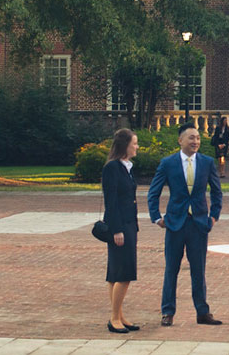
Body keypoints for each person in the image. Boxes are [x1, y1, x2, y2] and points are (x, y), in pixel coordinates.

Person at [147, 125, 224, 326]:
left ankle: (202, 312)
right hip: (174, 224)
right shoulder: (168, 163)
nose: (196, 142)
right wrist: (156, 217)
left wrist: (214, 216)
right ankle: (168, 312)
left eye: (198, 138)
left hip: (199, 224)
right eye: (191, 138)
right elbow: (153, 192)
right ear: (180, 141)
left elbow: (217, 192)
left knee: (198, 270)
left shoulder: (207, 162)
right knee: (171, 269)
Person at [102, 128, 141, 334]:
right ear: (124, 145)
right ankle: (114, 318)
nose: (136, 146)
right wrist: (117, 229)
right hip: (120, 227)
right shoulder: (112, 168)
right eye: (134, 143)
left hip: (128, 225)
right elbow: (112, 202)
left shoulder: (127, 167)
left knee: (115, 273)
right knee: (124, 273)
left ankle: (119, 314)